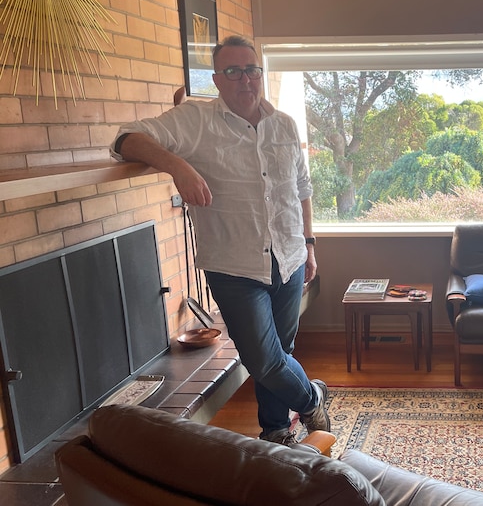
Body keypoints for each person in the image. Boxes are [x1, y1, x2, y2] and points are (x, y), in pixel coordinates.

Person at [111, 35, 328, 445]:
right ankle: (313, 396)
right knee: (262, 359)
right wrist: (178, 166)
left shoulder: (283, 123)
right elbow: (125, 139)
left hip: (290, 257)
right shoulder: (194, 121)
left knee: (281, 349)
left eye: (251, 69)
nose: (244, 78)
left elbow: (302, 188)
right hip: (234, 266)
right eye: (233, 71)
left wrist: (310, 244)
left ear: (260, 74)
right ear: (216, 77)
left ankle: (277, 432)